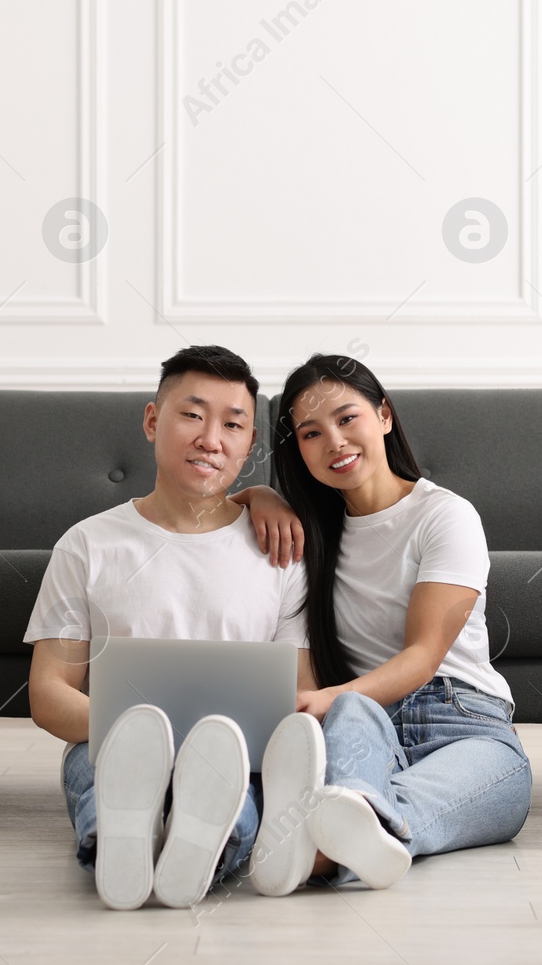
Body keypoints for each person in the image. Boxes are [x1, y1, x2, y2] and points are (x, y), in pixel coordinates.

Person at [22, 344, 321, 911]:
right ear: (153, 420)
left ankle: (192, 845)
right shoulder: (88, 544)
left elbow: (296, 697)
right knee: (98, 764)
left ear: (248, 446)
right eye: (193, 415)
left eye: (233, 424)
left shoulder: (282, 551)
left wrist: (199, 753)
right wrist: (156, 741)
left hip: (233, 758)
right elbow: (48, 693)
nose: (212, 438)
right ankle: (123, 841)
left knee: (237, 789)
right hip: (113, 741)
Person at [248, 352, 533, 894]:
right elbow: (209, 509)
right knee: (354, 709)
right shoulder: (308, 535)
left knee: (506, 783)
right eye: (311, 433)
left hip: (462, 720)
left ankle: (332, 837)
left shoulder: (445, 515)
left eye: (346, 417)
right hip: (362, 723)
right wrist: (258, 495)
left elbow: (424, 656)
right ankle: (342, 831)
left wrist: (324, 699)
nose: (333, 441)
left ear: (384, 415)